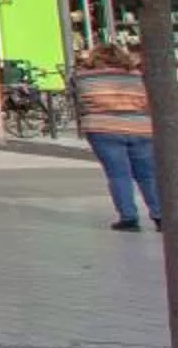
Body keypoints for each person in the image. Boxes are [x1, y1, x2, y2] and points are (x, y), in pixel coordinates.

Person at [68, 43, 159, 232]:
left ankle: (128, 218)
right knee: (147, 174)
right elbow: (147, 101)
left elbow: (76, 98)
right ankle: (160, 215)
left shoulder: (82, 77)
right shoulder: (137, 76)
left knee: (118, 174)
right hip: (139, 127)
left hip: (103, 128)